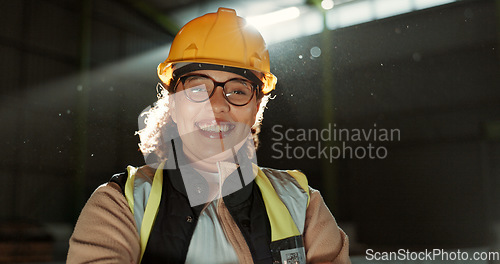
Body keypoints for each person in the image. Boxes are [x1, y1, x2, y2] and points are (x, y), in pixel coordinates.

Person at [67, 7, 350, 264]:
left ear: (255, 110)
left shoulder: (303, 204)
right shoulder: (120, 204)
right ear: (174, 106)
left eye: (238, 90)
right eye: (196, 88)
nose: (217, 105)